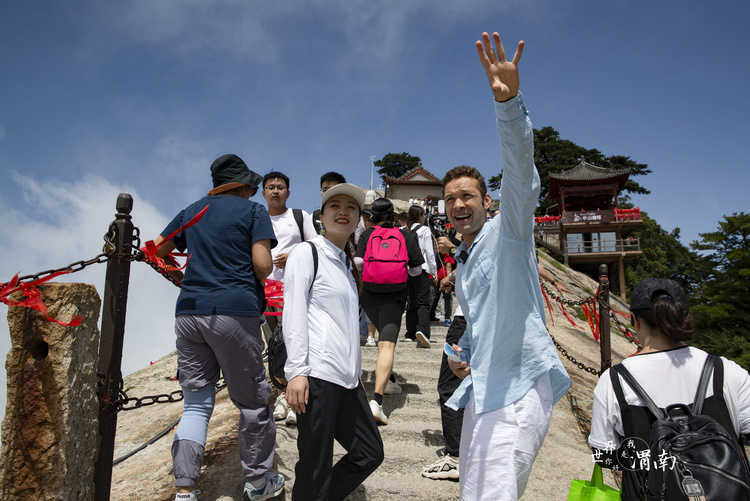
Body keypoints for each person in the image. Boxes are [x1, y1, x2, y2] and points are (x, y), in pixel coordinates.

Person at [445, 33, 572, 500]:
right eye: (451, 199)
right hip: (484, 387)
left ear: (487, 201)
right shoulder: (464, 260)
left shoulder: (509, 230)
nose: (458, 204)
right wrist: (462, 358)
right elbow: (483, 324)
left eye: (467, 196)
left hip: (519, 385)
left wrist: (509, 104)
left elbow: (521, 171)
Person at [153, 154, 284, 501]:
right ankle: (258, 483)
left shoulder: (191, 210)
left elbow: (157, 250)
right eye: (253, 187)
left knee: (196, 404)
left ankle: (184, 489)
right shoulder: (253, 212)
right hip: (234, 312)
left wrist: (180, 277)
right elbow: (262, 266)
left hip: (189, 313)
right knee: (253, 402)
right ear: (242, 185)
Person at [588, 278, 750, 500]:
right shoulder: (726, 371)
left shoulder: (614, 380)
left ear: (635, 320)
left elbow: (605, 455)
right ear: (684, 316)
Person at [283, 183, 384, 500]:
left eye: (351, 207)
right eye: (334, 206)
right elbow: (294, 312)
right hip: (317, 377)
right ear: (322, 217)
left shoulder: (347, 264)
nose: (343, 211)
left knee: (369, 452)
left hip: (348, 381)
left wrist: (357, 373)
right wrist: (297, 370)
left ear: (358, 220)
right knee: (314, 465)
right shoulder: (307, 252)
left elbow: (347, 325)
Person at [355, 197, 424, 425]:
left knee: (382, 341)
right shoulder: (406, 235)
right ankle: (376, 401)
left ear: (373, 215)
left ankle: (391, 380)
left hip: (369, 296)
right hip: (394, 295)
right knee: (387, 345)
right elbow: (415, 270)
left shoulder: (367, 234)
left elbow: (357, 263)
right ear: (393, 214)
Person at [262, 170, 317, 426]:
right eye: (271, 187)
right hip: (264, 290)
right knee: (273, 345)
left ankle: (296, 398)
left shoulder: (299, 216)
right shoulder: (257, 218)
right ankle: (283, 395)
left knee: (293, 341)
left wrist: (294, 253)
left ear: (288, 192)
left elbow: (316, 245)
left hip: (294, 289)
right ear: (263, 193)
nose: (275, 191)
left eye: (280, 187)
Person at [405, 205, 437, 348]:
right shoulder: (424, 230)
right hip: (421, 269)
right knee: (423, 302)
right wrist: (434, 271)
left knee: (411, 301)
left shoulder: (403, 230)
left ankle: (409, 333)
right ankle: (422, 330)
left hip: (405, 271)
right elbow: (429, 253)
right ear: (420, 216)